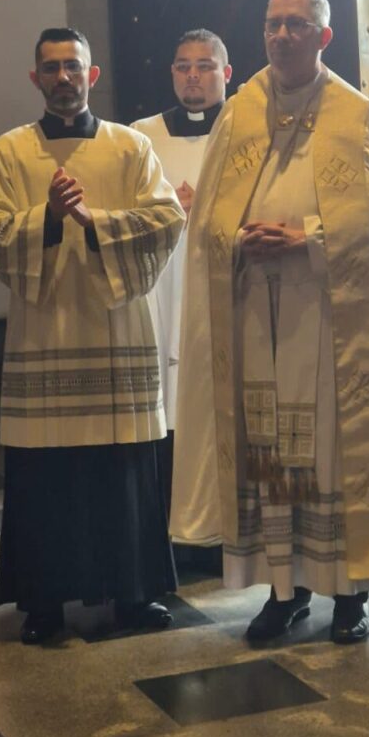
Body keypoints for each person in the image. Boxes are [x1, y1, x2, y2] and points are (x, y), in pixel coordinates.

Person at [170, 0, 369, 644]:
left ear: (324, 36)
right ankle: (286, 589)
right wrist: (236, 238)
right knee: (272, 451)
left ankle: (351, 595)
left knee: (331, 448)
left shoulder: (352, 113)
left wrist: (308, 238)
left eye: (297, 24)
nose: (281, 35)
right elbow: (208, 218)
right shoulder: (241, 111)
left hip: (327, 312)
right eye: (273, 23)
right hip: (256, 308)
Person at [0, 27, 185, 644]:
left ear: (93, 75)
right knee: (47, 473)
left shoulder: (130, 146)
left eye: (73, 66)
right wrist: (47, 217)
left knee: (122, 468)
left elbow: (166, 219)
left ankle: (134, 595)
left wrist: (95, 221)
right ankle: (44, 602)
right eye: (51, 68)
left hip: (118, 332)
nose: (63, 77)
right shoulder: (10, 151)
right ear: (34, 78)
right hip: (44, 334)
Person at [132, 29, 232, 508]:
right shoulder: (141, 136)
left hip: (225, 283)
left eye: (205, 66)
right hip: (164, 291)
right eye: (183, 66)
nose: (193, 75)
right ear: (172, 73)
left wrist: (207, 204)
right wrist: (166, 207)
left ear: (225, 73)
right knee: (170, 407)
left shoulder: (246, 130)